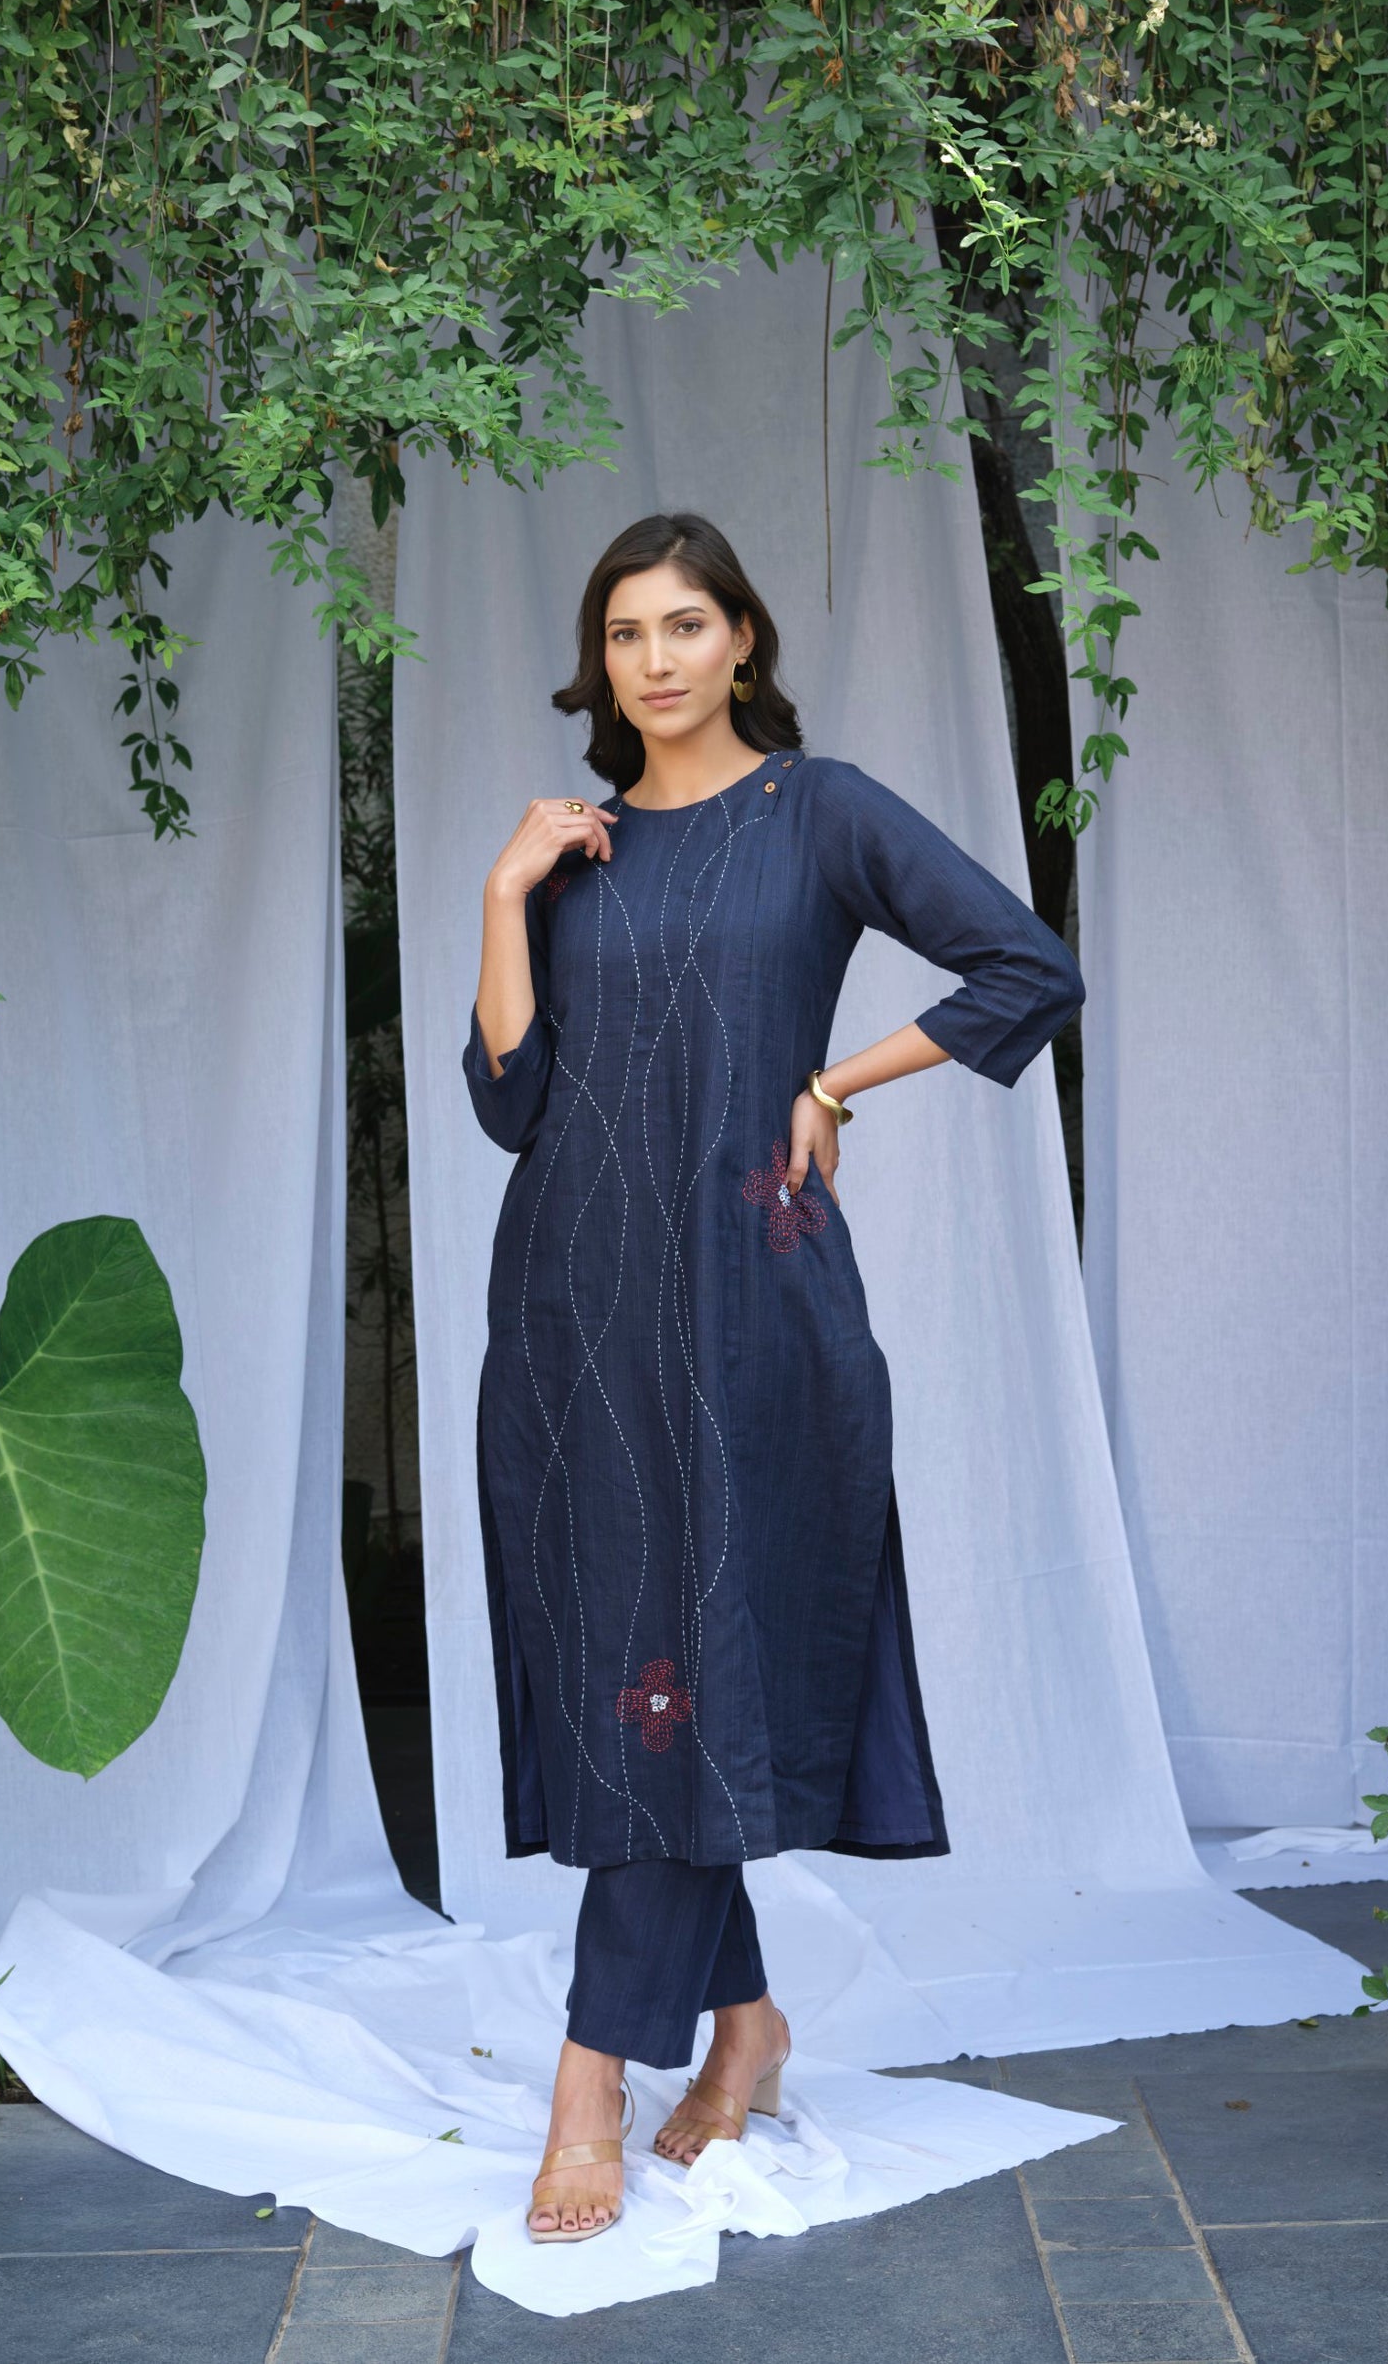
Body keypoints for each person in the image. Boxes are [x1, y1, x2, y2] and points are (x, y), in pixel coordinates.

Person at [465, 514, 1084, 2244]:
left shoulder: (819, 812)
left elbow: (1027, 966)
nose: (654, 661)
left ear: (742, 638)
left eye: (684, 625)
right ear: (598, 666)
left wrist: (834, 1082)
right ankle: (742, 2026)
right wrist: (504, 893)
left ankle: (588, 2078)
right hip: (571, 1310)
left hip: (749, 1306)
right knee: (636, 1679)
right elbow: (508, 1101)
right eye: (624, 635)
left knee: (691, 1657)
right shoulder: (571, 853)